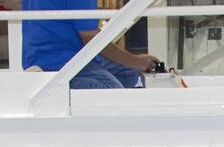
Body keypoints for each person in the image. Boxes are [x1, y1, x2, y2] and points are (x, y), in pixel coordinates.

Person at [22, 0, 160, 90]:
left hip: (72, 55)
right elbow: (91, 39)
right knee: (111, 89)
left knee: (129, 74)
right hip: (58, 62)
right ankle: (49, 85)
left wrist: (134, 63)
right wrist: (135, 61)